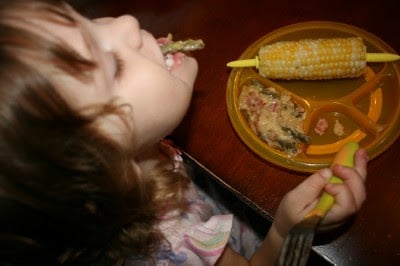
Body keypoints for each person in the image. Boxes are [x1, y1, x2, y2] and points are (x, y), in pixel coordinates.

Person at [0, 0, 368, 265]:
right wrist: (287, 230)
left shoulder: (126, 153)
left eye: (83, 19)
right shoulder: (178, 249)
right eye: (111, 66)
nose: (126, 21)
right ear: (97, 175)